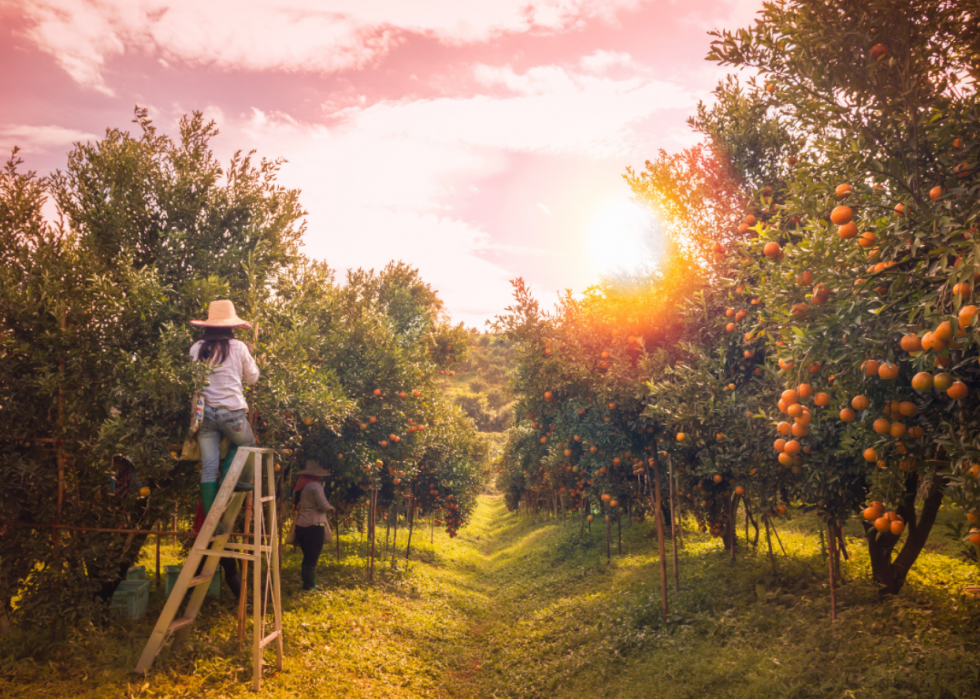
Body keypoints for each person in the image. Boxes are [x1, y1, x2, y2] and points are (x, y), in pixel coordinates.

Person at [189, 300, 260, 516]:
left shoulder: (196, 348)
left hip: (204, 416)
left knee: (209, 467)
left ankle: (212, 519)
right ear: (231, 326)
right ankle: (231, 480)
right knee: (247, 443)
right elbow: (253, 379)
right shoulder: (238, 347)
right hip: (232, 414)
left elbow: (193, 379)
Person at [293, 460, 335, 591]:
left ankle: (306, 584)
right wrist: (332, 509)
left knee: (307, 555)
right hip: (314, 525)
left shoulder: (300, 486)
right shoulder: (315, 486)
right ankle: (309, 586)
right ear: (315, 475)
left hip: (300, 524)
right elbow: (323, 505)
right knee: (313, 557)